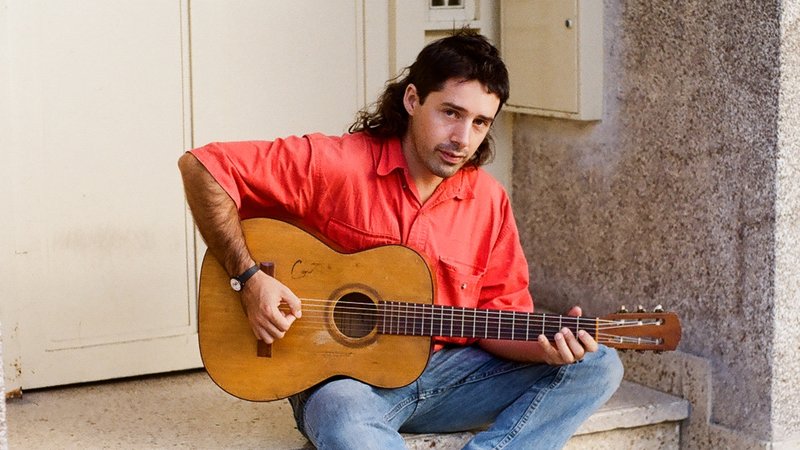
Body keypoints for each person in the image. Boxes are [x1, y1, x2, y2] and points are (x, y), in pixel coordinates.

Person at [179, 30, 623, 450]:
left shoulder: (488, 200)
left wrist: (547, 349)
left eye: (480, 122)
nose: (462, 139)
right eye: (451, 113)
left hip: (450, 378)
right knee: (341, 413)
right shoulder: (338, 165)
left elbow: (498, 319)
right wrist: (249, 278)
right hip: (347, 383)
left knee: (599, 364)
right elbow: (203, 167)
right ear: (412, 99)